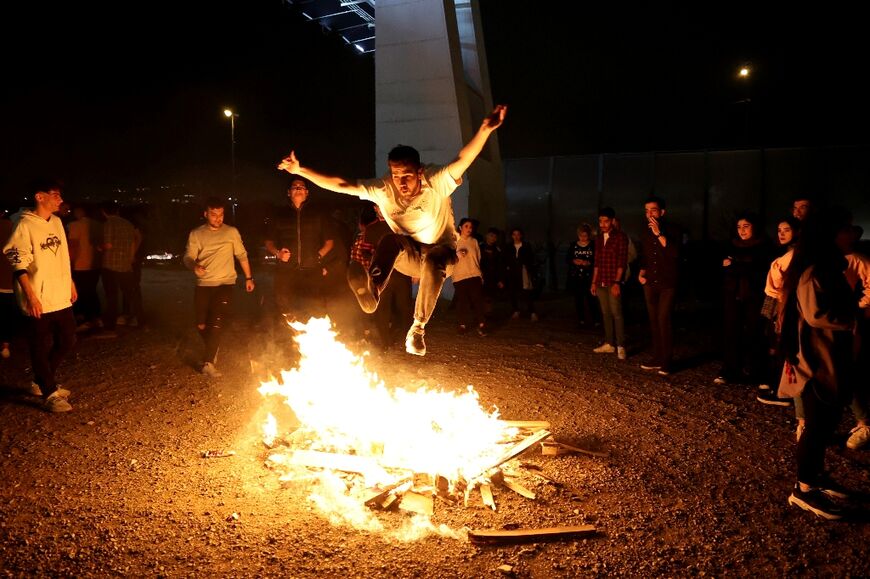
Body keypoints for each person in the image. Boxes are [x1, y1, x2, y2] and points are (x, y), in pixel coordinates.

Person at [277, 104, 508, 356]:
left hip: (443, 256)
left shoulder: (435, 180)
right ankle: (373, 290)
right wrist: (300, 170)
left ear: (419, 172)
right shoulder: (384, 189)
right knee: (390, 240)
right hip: (408, 257)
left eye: (407, 175)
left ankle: (417, 329)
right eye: (396, 175)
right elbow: (342, 184)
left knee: (435, 256)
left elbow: (463, 159)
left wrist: (484, 130)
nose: (401, 182)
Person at [779, 209, 857, 520]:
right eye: (846, 229)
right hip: (815, 360)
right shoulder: (814, 271)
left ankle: (815, 478)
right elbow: (814, 314)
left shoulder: (827, 267)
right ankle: (804, 489)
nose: (853, 234)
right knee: (816, 425)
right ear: (828, 235)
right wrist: (851, 321)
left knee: (824, 423)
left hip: (827, 356)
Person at [2, 180, 76, 412]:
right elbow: (17, 260)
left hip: (61, 294)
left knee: (67, 340)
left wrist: (70, 281)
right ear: (40, 197)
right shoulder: (24, 224)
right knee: (39, 345)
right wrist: (31, 296)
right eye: (55, 195)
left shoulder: (57, 222)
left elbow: (61, 256)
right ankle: (49, 392)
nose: (60, 200)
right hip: (38, 297)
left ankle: (41, 381)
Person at [183, 197, 255, 377]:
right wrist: (195, 266)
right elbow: (188, 257)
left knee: (216, 322)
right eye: (214, 215)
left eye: (221, 215)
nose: (218, 218)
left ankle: (208, 362)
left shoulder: (231, 232)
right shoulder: (196, 234)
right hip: (204, 284)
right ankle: (213, 348)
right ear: (206, 214)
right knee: (201, 325)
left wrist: (249, 277)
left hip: (225, 283)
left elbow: (242, 255)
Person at [264, 178, 334, 322]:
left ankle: (317, 339)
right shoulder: (279, 214)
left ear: (307, 193)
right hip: (286, 270)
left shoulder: (318, 214)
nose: (298, 188)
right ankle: (289, 340)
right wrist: (278, 253)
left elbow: (329, 242)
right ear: (288, 192)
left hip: (312, 270)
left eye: (301, 187)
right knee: (286, 309)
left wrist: (318, 256)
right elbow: (268, 242)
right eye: (294, 187)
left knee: (316, 307)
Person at [714, 213, 773, 385]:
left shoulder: (764, 246)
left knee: (755, 332)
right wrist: (741, 266)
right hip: (733, 294)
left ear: (754, 227)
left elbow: (760, 269)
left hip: (755, 295)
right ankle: (731, 369)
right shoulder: (732, 245)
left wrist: (735, 265)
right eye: (739, 227)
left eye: (746, 226)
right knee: (731, 332)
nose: (742, 230)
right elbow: (723, 268)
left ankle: (755, 370)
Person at [757, 216, 800, 406]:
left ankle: (783, 391)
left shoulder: (796, 255)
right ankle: (775, 382)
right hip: (774, 300)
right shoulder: (785, 254)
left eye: (787, 230)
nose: (781, 234)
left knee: (782, 342)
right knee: (772, 342)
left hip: (783, 301)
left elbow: (787, 286)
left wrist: (781, 309)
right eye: (779, 230)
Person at [637, 196, 680, 376]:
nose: (649, 214)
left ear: (662, 212)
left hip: (667, 283)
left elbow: (674, 254)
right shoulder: (645, 232)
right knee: (654, 320)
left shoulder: (672, 230)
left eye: (653, 210)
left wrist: (659, 234)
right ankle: (657, 357)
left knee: (664, 319)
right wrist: (641, 271)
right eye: (647, 211)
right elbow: (645, 255)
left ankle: (667, 360)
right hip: (650, 283)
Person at [591, 207, 629, 360]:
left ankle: (620, 345)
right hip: (600, 281)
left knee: (617, 313)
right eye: (600, 221)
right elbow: (597, 262)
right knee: (606, 313)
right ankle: (609, 343)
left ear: (612, 221)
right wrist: (593, 282)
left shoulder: (620, 237)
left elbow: (622, 261)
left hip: (612, 281)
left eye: (606, 221)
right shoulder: (599, 239)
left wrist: (617, 282)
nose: (602, 224)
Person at [99, 202, 140, 334]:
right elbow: (134, 241)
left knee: (111, 296)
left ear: (103, 212)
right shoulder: (128, 224)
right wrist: (131, 257)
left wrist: (99, 248)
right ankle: (135, 319)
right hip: (125, 265)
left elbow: (108, 245)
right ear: (117, 211)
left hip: (110, 265)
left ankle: (110, 325)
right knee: (129, 293)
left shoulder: (108, 224)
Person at [66, 204, 102, 331]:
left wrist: (70, 262)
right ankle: (96, 317)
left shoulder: (75, 225)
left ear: (79, 211)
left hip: (80, 264)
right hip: (96, 264)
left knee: (82, 291)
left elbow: (74, 245)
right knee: (92, 290)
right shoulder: (98, 225)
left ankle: (86, 318)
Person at [454, 217, 487, 336]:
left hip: (474, 274)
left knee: (477, 300)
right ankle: (462, 325)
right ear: (460, 228)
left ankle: (482, 325)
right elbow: (449, 258)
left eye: (471, 227)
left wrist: (480, 274)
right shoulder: (454, 241)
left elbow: (478, 258)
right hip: (459, 276)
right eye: (466, 226)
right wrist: (456, 254)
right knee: (463, 301)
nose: (469, 229)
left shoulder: (474, 241)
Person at [504, 227, 538, 321]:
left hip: (523, 270)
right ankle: (516, 310)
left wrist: (528, 268)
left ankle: (532, 312)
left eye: (518, 234)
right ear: (511, 236)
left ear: (521, 235)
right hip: (512, 271)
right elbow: (505, 258)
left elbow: (530, 258)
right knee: (512, 292)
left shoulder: (526, 245)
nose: (516, 236)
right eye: (514, 234)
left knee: (526, 292)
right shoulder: (508, 246)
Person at [1, 210, 17, 359]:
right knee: (6, 314)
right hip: (7, 280)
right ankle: (6, 345)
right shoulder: (12, 227)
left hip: (5, 278)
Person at [480, 227, 504, 313]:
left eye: (495, 237)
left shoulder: (497, 250)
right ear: (487, 236)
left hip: (493, 276)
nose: (493, 238)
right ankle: (481, 314)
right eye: (491, 236)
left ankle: (488, 313)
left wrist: (500, 279)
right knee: (481, 296)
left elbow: (500, 265)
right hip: (481, 275)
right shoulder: (480, 247)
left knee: (490, 296)